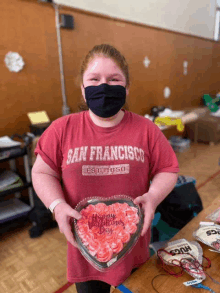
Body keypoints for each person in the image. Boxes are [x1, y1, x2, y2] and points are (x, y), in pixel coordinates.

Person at [32, 44, 179, 293]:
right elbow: (42, 172)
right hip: (85, 251)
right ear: (83, 87)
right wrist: (56, 206)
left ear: (126, 87)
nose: (104, 87)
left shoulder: (146, 130)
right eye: (95, 79)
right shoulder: (61, 129)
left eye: (114, 79)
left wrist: (153, 197)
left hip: (133, 245)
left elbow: (168, 168)